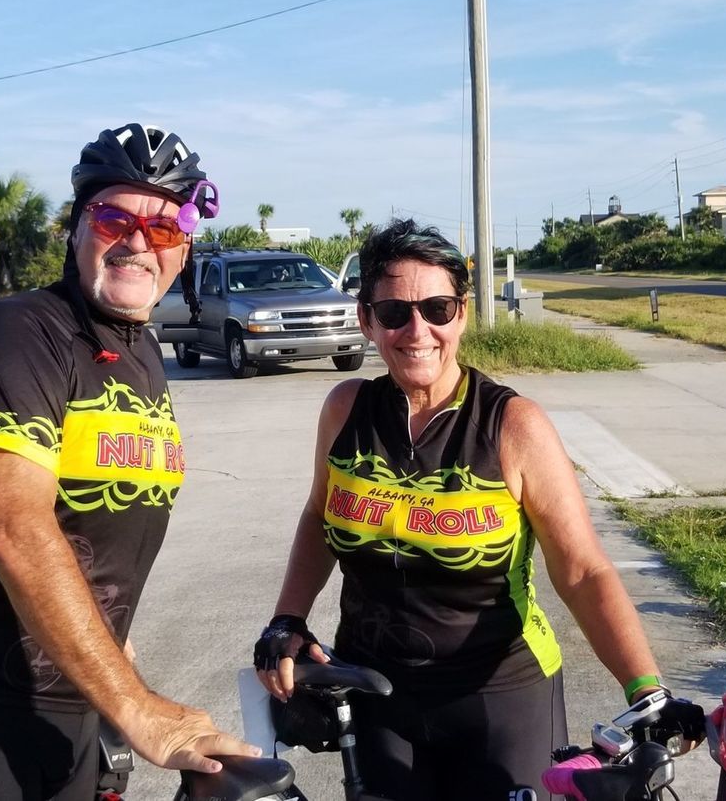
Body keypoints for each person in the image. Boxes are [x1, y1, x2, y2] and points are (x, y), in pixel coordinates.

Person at [0, 123, 255, 800]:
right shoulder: (20, 331)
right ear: (75, 229)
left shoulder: (140, 352)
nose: (139, 243)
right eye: (114, 219)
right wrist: (139, 710)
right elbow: (14, 530)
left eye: (164, 228)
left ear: (185, 247)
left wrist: (115, 674)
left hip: (70, 699)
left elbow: (99, 539)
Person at [254, 219, 701, 801]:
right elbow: (320, 516)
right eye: (394, 312)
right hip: (376, 693)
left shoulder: (513, 426)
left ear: (461, 314)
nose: (417, 330)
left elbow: (582, 569)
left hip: (501, 694)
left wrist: (645, 689)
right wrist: (287, 619)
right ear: (366, 320)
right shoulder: (345, 409)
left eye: (437, 309)